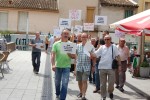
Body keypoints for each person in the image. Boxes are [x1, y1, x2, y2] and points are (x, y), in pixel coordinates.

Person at [90, 35, 121, 100]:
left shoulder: (114, 47)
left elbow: (118, 56)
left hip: (111, 68)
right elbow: (95, 54)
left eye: (108, 39)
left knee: (111, 83)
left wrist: (119, 66)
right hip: (102, 68)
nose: (106, 40)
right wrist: (89, 51)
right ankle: (103, 96)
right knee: (102, 84)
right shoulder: (102, 47)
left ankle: (110, 92)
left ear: (111, 39)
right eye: (105, 39)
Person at [51, 29, 76, 100]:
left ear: (68, 35)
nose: (66, 35)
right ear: (61, 35)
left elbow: (74, 56)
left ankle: (62, 98)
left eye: (67, 34)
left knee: (65, 83)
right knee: (57, 82)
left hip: (67, 67)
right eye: (64, 33)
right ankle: (57, 93)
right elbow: (53, 55)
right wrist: (53, 64)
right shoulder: (56, 44)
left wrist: (69, 54)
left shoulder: (71, 44)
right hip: (58, 66)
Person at [75, 33, 95, 100]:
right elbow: (75, 56)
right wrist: (75, 67)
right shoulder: (77, 46)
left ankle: (83, 95)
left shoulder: (90, 46)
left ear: (87, 38)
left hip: (87, 66)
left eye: (85, 37)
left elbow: (94, 56)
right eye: (82, 37)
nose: (83, 38)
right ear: (80, 38)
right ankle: (81, 92)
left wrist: (93, 66)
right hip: (79, 66)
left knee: (84, 81)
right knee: (79, 81)